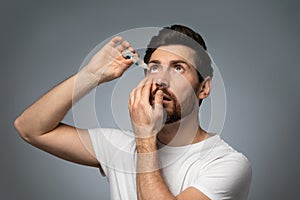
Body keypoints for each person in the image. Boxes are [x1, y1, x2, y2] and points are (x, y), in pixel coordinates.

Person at [14, 24, 252, 200]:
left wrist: (145, 138)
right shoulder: (120, 147)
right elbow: (30, 129)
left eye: (179, 68)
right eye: (155, 68)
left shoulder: (227, 164)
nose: (161, 80)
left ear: (204, 88)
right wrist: (90, 76)